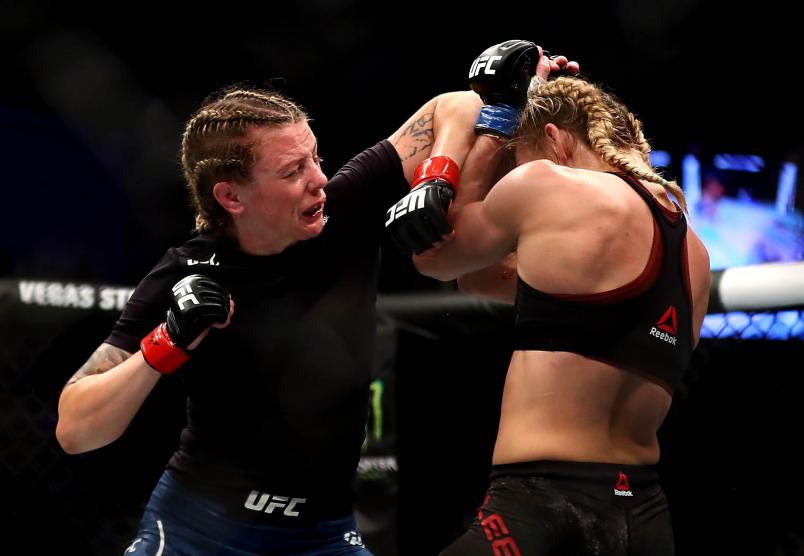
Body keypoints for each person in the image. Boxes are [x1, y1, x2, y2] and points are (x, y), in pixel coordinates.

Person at [54, 39, 570, 555]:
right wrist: (165, 344)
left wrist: (442, 172)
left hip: (325, 534)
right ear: (231, 197)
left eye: (315, 158)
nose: (319, 180)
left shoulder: (344, 211)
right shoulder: (186, 271)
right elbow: (76, 429)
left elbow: (453, 106)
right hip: (199, 529)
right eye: (292, 171)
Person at [388, 72, 711, 555]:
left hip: (542, 505)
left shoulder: (547, 184)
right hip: (644, 513)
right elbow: (477, 279)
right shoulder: (695, 252)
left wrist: (496, 124)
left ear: (554, 141)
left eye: (519, 158)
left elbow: (436, 255)